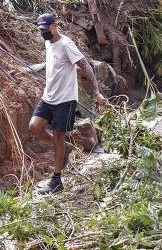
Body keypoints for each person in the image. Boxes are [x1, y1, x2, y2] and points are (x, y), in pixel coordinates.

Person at [29, 13, 108, 194]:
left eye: (45, 29)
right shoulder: (48, 42)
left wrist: (96, 91)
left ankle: (56, 181)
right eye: (41, 30)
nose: (43, 33)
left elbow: (86, 66)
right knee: (34, 127)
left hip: (65, 100)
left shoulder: (66, 44)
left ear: (55, 25)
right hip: (48, 97)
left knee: (59, 136)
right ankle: (62, 148)